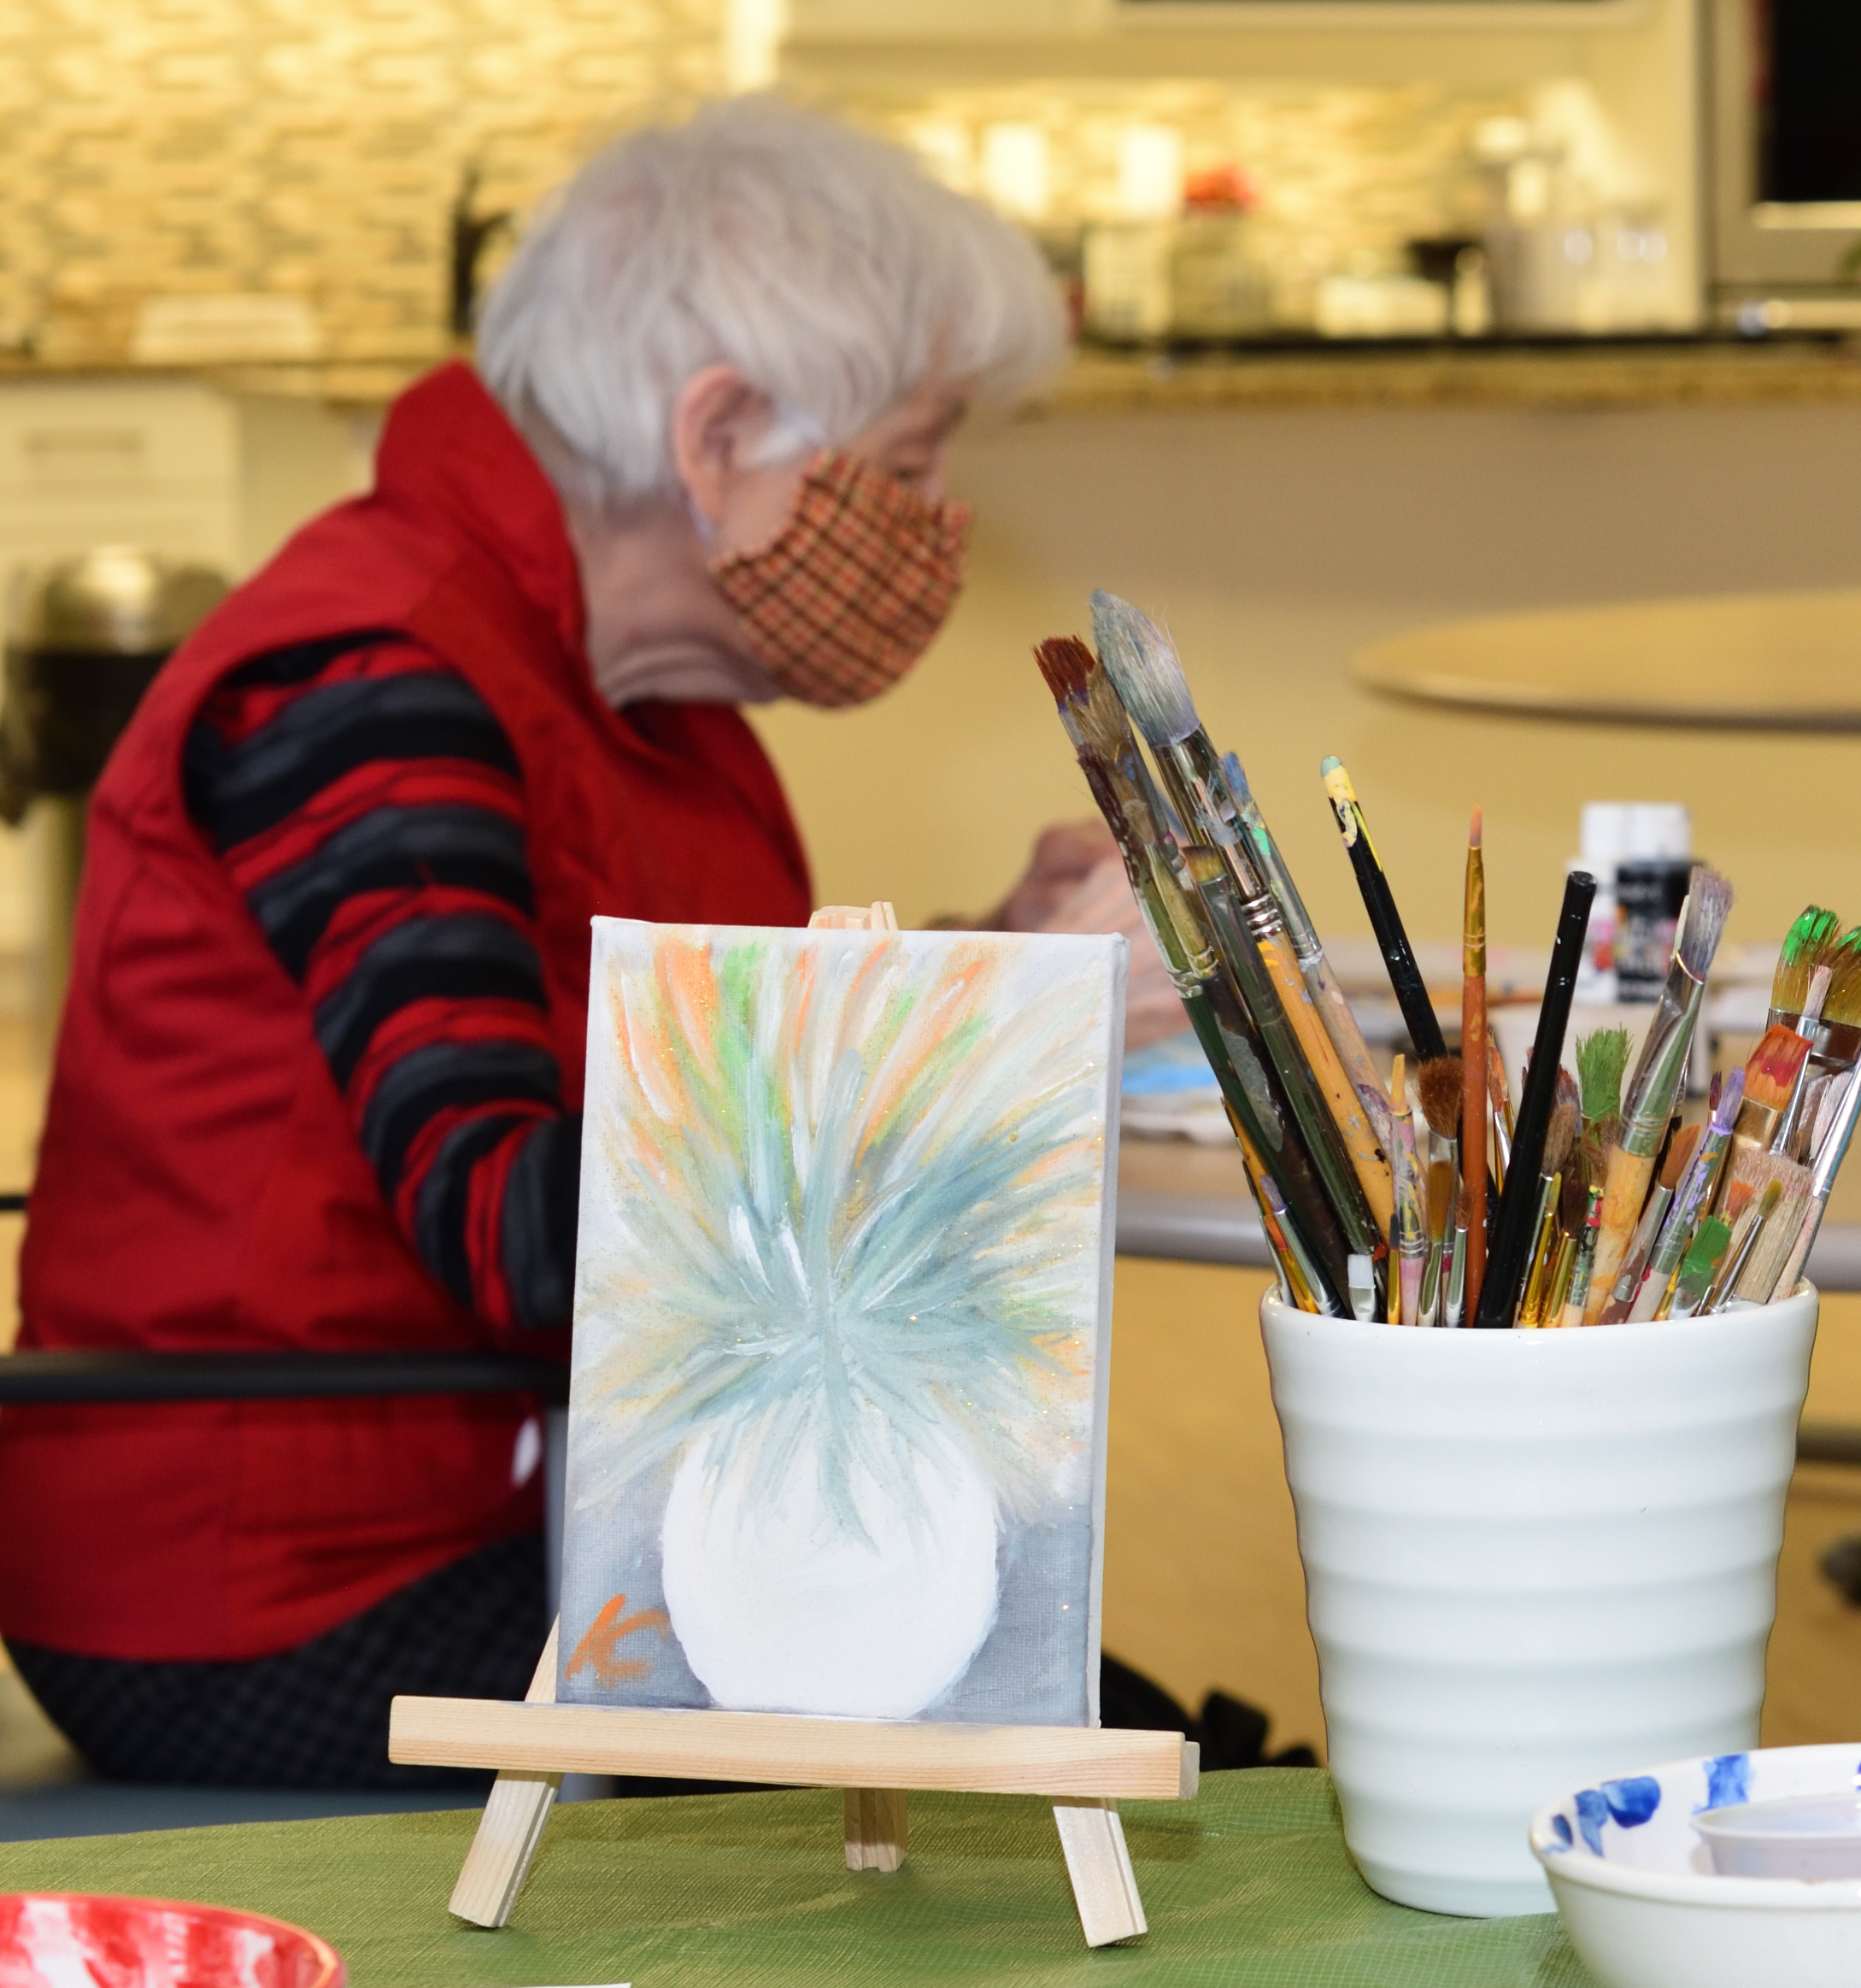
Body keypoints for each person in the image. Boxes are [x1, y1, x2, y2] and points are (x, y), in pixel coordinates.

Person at [0, 97, 1115, 1789]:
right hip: (274, 1589)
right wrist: (969, 1057)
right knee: (1066, 1740)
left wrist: (997, 957)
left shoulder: (633, 682)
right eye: (907, 464)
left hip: (505, 1494)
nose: (937, 523)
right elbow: (528, 1238)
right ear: (720, 431)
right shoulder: (370, 685)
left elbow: (706, 1070)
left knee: (1117, 1710)